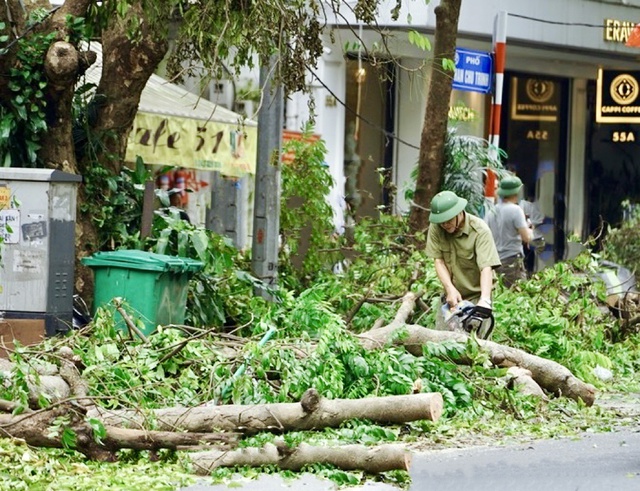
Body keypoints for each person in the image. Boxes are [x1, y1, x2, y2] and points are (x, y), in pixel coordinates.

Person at [425, 190, 501, 330]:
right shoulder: (436, 227)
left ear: (459, 212)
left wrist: (484, 300)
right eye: (441, 222)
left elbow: (486, 267)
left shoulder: (479, 231)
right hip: (451, 294)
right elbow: (439, 261)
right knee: (442, 343)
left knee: (475, 347)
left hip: (476, 294)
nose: (445, 225)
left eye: (448, 220)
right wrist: (449, 289)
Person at [485, 175, 532, 287]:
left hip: (495, 262)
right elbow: (526, 237)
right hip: (512, 261)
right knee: (518, 297)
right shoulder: (516, 210)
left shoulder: (491, 211)